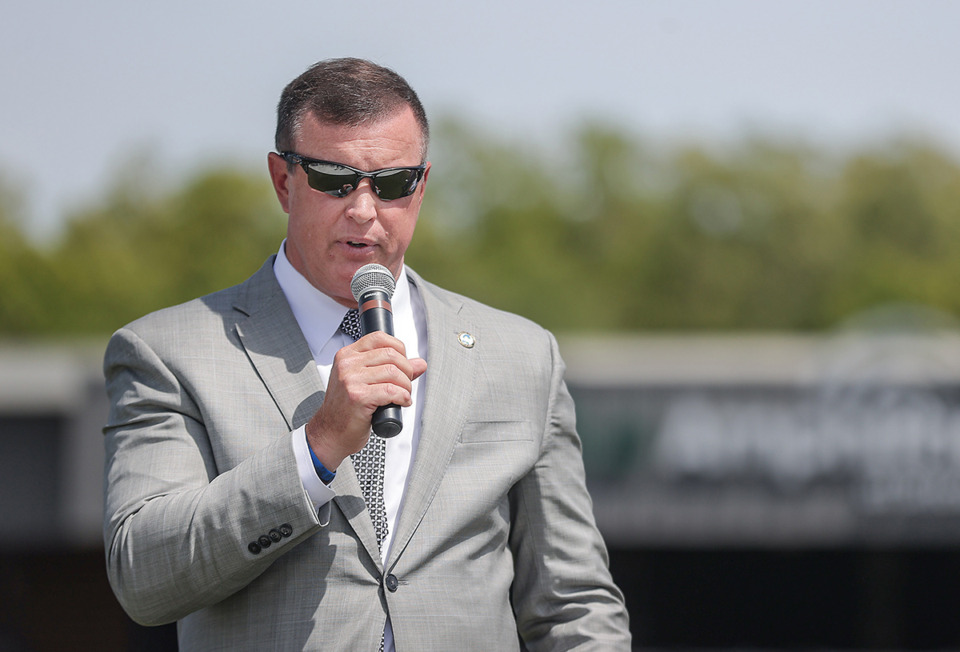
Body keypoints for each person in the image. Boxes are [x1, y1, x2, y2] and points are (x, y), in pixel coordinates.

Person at [102, 57, 631, 651]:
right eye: (333, 180)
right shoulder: (170, 353)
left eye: (392, 184)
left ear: (421, 186)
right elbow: (143, 579)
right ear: (283, 181)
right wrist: (316, 448)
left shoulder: (522, 355)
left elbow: (573, 604)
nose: (363, 209)